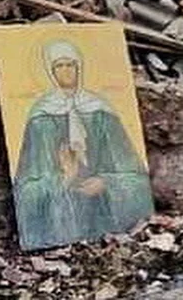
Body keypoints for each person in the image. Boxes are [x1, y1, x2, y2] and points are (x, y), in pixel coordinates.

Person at [13, 40, 153, 250]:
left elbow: (136, 177)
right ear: (50, 72)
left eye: (70, 64)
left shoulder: (101, 112)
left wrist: (106, 182)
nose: (66, 71)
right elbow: (27, 190)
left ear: (79, 68)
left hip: (104, 214)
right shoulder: (40, 118)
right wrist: (64, 180)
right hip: (63, 220)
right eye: (59, 66)